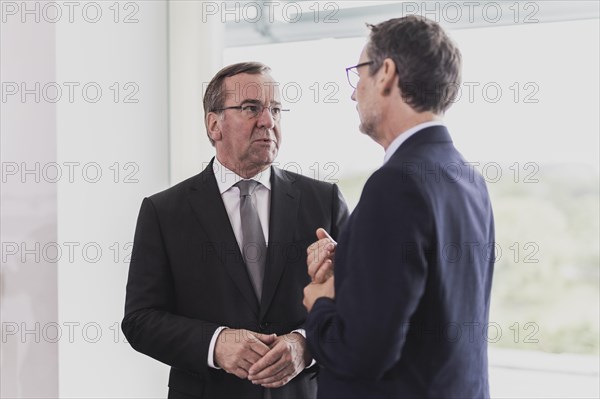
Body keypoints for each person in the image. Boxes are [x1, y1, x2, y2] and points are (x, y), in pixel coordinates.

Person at [122, 62, 348, 399]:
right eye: (251, 108)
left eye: (275, 109)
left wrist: (305, 344)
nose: (268, 121)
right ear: (214, 125)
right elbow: (140, 320)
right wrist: (216, 343)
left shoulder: (323, 200)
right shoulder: (164, 211)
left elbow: (357, 304)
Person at [303, 15, 495, 399]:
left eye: (359, 73)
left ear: (386, 73)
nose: (353, 92)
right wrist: (357, 266)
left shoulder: (395, 184)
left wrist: (320, 303)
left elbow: (362, 355)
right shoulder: (468, 178)